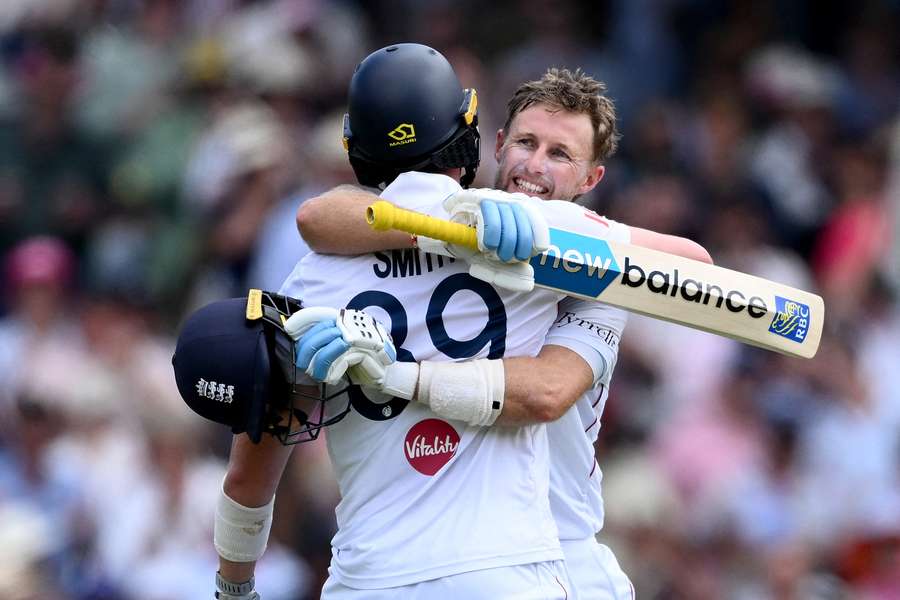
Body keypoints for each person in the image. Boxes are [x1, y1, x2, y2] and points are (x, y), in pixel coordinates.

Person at [199, 44, 710, 599]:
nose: (536, 166)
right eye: (526, 144)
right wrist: (460, 228)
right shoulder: (541, 240)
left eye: (559, 153)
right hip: (508, 571)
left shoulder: (308, 279)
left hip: (369, 579)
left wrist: (234, 587)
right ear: (481, 140)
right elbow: (697, 272)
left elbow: (253, 465)